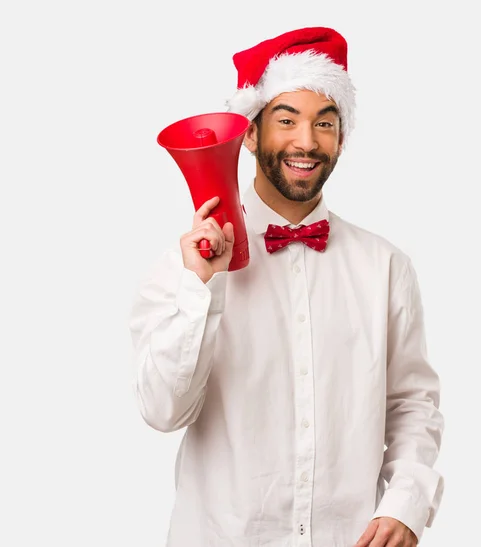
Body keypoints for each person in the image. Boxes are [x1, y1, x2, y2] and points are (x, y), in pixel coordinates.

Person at [129, 26, 445, 547]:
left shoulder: (386, 265)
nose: (307, 141)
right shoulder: (184, 268)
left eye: (325, 123)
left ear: (341, 139)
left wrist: (406, 504)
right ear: (250, 134)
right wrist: (201, 289)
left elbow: (412, 404)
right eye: (286, 119)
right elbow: (163, 411)